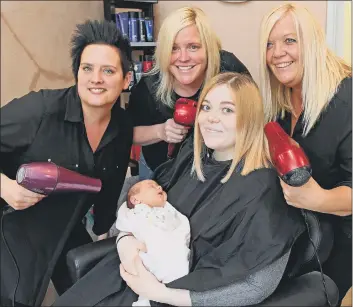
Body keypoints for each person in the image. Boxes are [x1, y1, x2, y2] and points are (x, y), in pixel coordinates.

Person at [53, 72, 306, 307]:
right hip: (131, 270)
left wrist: (163, 294)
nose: (211, 118)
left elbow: (257, 285)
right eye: (206, 107)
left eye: (227, 110)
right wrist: (125, 239)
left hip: (178, 295)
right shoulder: (192, 158)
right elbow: (140, 196)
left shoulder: (262, 187)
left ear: (249, 118)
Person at [0, 20, 133, 306]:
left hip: (67, 226)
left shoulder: (121, 127)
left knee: (99, 293)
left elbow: (110, 185)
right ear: (77, 74)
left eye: (108, 70)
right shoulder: (40, 111)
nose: (95, 78)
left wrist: (102, 231)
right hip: (13, 227)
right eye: (87, 68)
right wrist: (5, 186)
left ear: (126, 80)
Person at [259, 3, 352, 304]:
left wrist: (318, 199)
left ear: (311, 42)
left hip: (340, 237)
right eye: (270, 44)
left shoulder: (346, 99)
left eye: (290, 40)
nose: (277, 53)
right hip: (296, 226)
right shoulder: (280, 100)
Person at [127, 6, 251, 180]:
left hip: (217, 168)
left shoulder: (228, 69)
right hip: (159, 168)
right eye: (174, 48)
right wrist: (160, 131)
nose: (183, 58)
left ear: (208, 48)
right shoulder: (150, 85)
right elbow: (127, 133)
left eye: (193, 47)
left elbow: (254, 116)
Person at [116, 179, 190, 307]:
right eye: (152, 186)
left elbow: (179, 227)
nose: (159, 187)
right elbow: (127, 225)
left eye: (158, 185)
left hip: (174, 261)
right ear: (136, 200)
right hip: (148, 259)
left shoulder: (167, 210)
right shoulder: (136, 214)